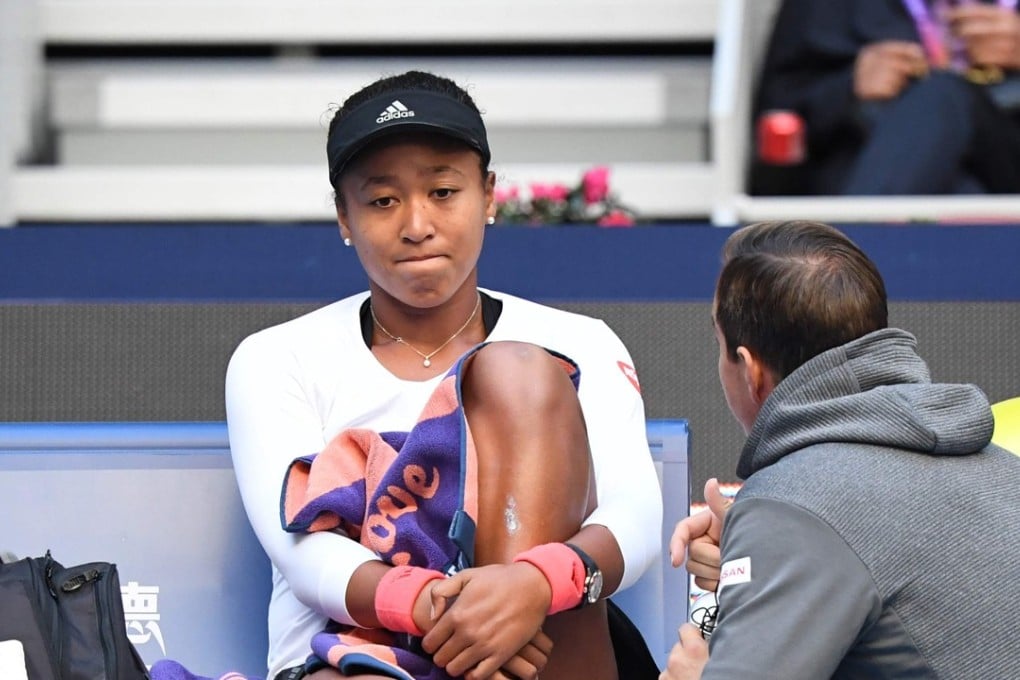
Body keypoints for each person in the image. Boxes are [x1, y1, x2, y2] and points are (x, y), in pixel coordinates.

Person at [223, 70, 661, 680]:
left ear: (489, 195)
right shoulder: (276, 357)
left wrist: (530, 586)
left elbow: (635, 516)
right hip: (355, 657)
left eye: (444, 191)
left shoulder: (581, 341)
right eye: (382, 200)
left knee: (517, 370)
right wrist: (441, 609)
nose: (416, 224)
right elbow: (301, 549)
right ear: (344, 216)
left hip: (546, 650)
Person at [662, 220, 1020, 678]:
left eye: (719, 343)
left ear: (750, 370)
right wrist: (761, 552)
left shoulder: (792, 508)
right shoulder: (1003, 471)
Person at [753, 0, 1020, 195]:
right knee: (961, 192)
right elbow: (776, 115)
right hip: (865, 158)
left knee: (943, 94)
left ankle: (850, 250)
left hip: (1004, 164)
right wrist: (848, 87)